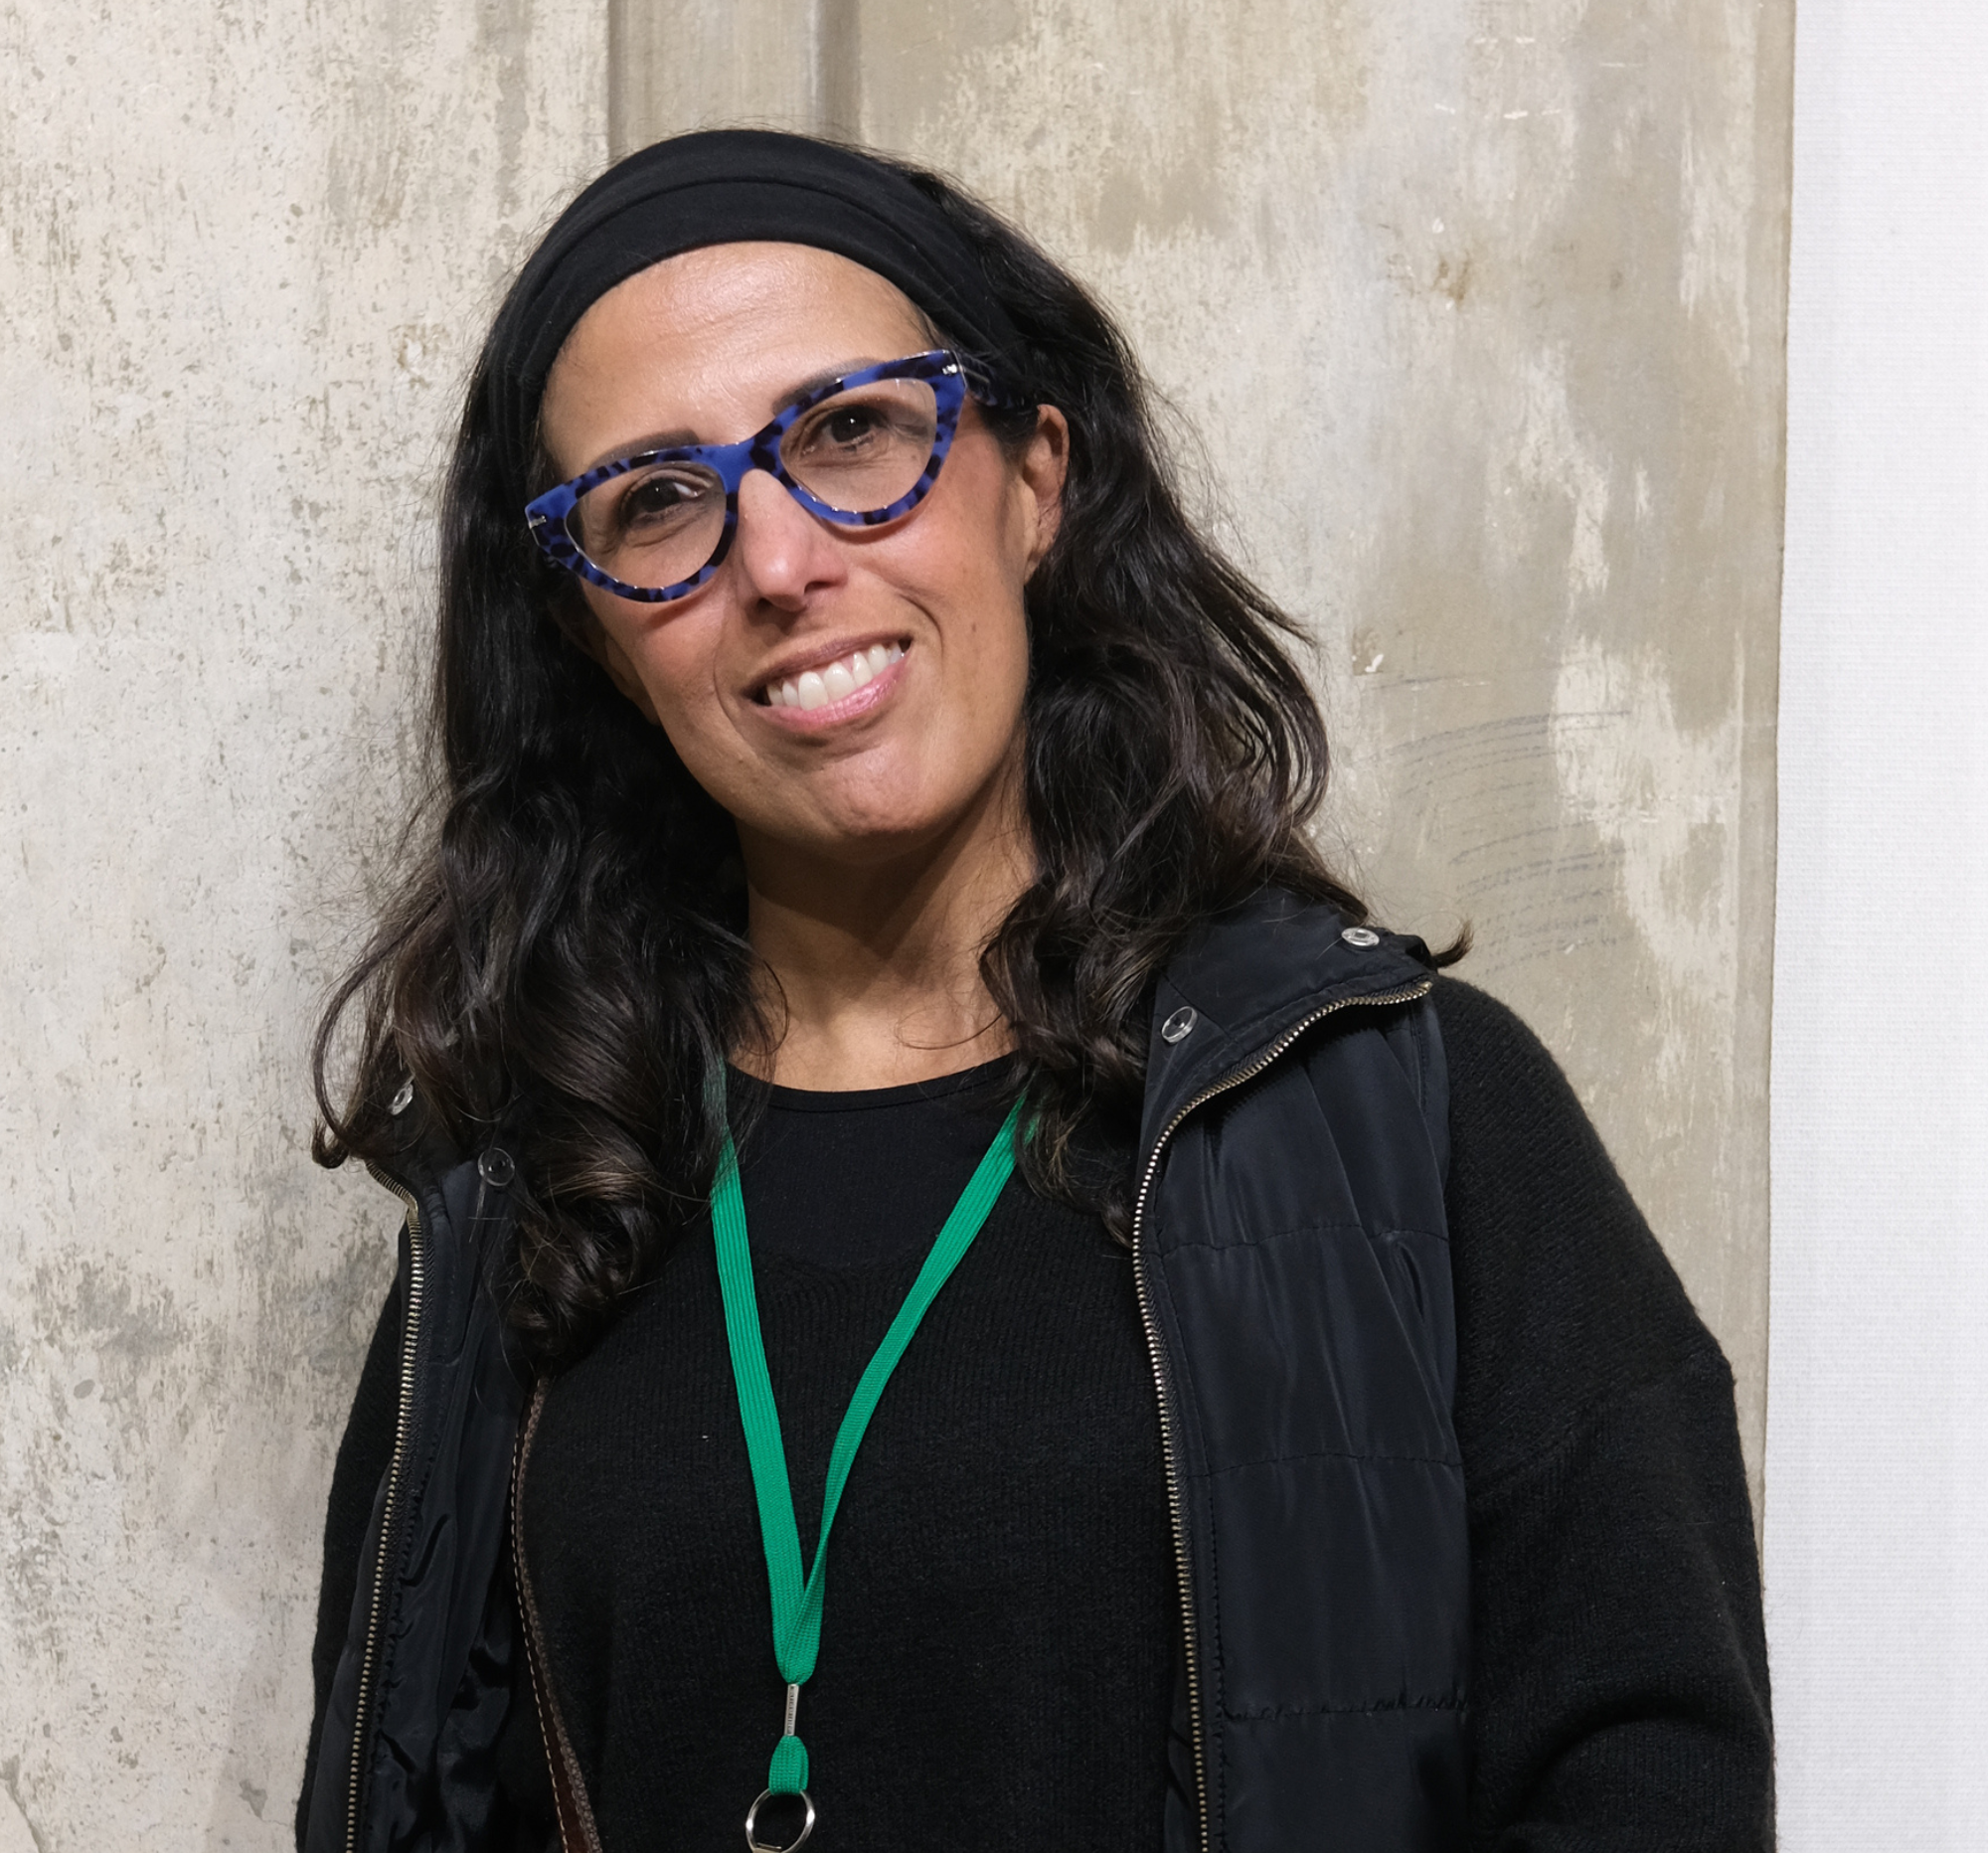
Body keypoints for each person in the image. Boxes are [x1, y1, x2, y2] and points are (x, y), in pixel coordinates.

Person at [298, 130, 1771, 1853]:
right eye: (659, 501)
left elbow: (1645, 1776)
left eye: (853, 432)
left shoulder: (1403, 1122)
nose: (776, 562)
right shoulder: (524, 1211)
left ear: (1037, 477)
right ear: (591, 638)